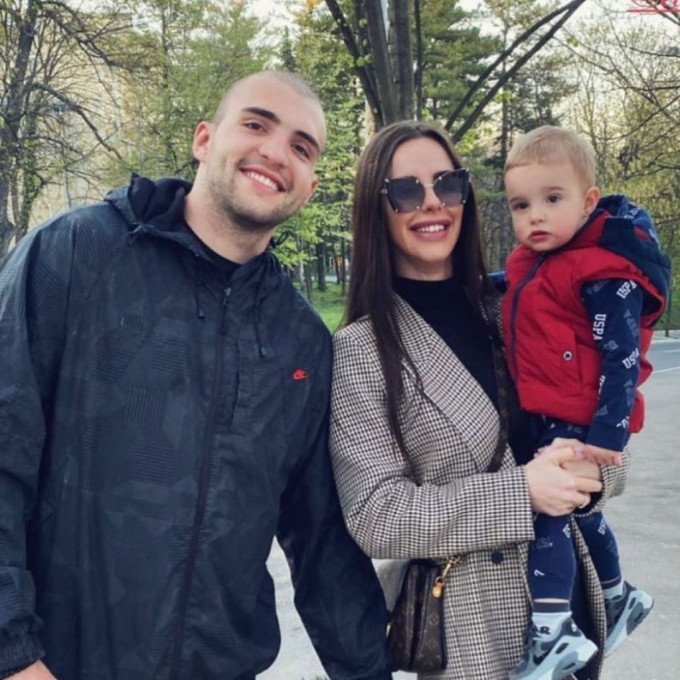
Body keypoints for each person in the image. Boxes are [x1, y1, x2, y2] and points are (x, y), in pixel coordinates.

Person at [0, 71, 393, 680]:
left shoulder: (300, 340)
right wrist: (12, 652)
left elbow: (322, 542)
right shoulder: (78, 251)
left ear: (309, 188)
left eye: (301, 147)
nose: (275, 153)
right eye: (256, 124)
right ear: (204, 139)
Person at [328, 119, 625, 680]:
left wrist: (595, 473)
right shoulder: (362, 349)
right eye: (406, 190)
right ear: (375, 207)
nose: (432, 202)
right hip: (474, 632)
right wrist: (523, 493)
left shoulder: (518, 304)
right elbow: (375, 515)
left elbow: (602, 421)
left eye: (448, 184)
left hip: (570, 611)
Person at [502, 125, 670, 680]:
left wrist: (607, 435)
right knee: (581, 510)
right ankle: (618, 597)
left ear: (588, 201)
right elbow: (524, 295)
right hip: (554, 409)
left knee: (547, 511)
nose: (536, 216)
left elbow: (623, 357)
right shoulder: (537, 260)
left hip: (582, 414)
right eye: (521, 205)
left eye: (553, 199)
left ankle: (553, 632)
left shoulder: (605, 270)